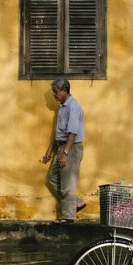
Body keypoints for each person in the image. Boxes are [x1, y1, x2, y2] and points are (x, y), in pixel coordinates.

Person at [40, 79, 86, 224]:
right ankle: (76, 202)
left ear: (64, 90)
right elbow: (57, 132)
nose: (54, 95)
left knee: (67, 184)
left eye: (55, 91)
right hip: (61, 147)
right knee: (51, 178)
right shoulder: (62, 107)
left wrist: (65, 153)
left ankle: (67, 217)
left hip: (71, 148)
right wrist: (50, 151)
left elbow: (72, 132)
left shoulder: (73, 107)